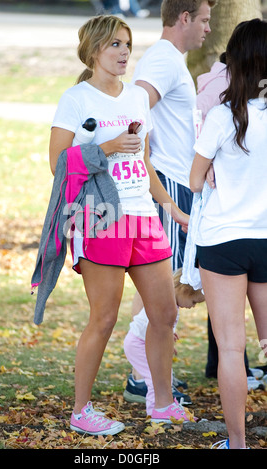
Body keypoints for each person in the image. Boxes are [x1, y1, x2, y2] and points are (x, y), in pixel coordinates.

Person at [46, 15, 191, 436]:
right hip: (100, 217)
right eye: (114, 44)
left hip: (143, 215)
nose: (125, 52)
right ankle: (81, 411)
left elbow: (143, 162)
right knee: (104, 318)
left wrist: (169, 207)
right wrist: (105, 147)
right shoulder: (76, 99)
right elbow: (57, 163)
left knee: (164, 314)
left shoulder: (137, 99)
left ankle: (161, 403)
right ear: (94, 50)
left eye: (127, 43)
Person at [123, 0, 216, 402]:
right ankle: (142, 371)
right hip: (173, 185)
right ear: (184, 18)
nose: (208, 29)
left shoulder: (170, 59)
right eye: (205, 20)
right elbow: (134, 111)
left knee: (162, 286)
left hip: (178, 182)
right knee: (173, 288)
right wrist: (147, 166)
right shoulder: (163, 59)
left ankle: (144, 376)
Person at [190, 18, 267, 449]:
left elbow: (196, 181)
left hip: (224, 241)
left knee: (232, 350)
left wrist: (217, 168)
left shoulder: (223, 116)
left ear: (234, 63)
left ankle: (237, 444)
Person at [124, 268, 205, 416]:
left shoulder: (172, 305)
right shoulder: (164, 303)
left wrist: (169, 336)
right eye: (194, 302)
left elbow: (162, 327)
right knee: (154, 377)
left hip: (142, 342)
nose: (193, 306)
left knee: (162, 375)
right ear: (185, 290)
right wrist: (163, 340)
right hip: (138, 344)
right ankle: (155, 411)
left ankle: (165, 406)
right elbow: (150, 327)